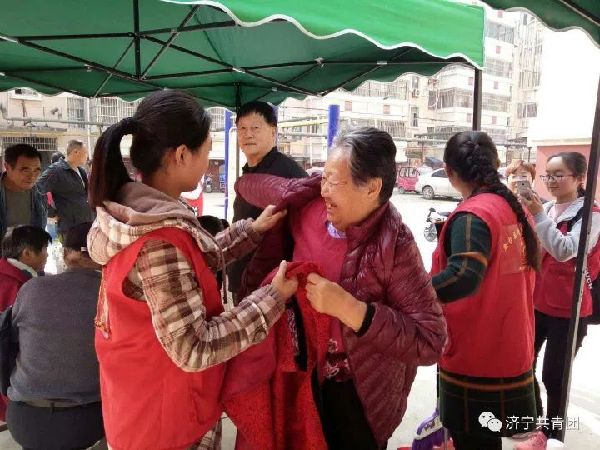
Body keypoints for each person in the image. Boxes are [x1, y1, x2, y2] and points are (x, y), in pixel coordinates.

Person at [87, 90, 298, 450]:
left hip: (138, 405)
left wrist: (252, 230)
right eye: (207, 150)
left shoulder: (135, 212)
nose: (208, 160)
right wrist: (272, 299)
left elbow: (190, 262)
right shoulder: (158, 239)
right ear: (182, 154)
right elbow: (194, 348)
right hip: (168, 426)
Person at [234, 127, 447, 450]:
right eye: (323, 178)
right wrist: (269, 187)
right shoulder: (308, 205)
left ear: (372, 188)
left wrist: (352, 310)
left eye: (334, 182)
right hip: (303, 373)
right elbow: (254, 185)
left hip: (357, 394)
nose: (324, 190)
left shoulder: (394, 245)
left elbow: (430, 340)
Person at [430, 131, 540, 450]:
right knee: (486, 440)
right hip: (511, 345)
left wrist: (414, 292)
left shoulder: (474, 214)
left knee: (474, 441)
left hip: (476, 354)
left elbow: (464, 276)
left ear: (449, 171)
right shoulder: (513, 208)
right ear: (496, 164)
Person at [517, 152, 600, 450]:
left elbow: (565, 250)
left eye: (558, 175)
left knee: (555, 377)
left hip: (569, 309)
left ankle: (552, 436)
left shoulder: (590, 215)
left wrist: (538, 216)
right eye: (547, 175)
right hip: (537, 302)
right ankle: (535, 421)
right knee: (523, 364)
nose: (551, 181)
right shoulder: (549, 208)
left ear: (579, 178)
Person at [6, 222, 105, 450]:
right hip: (83, 420)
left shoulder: (32, 288)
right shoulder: (109, 293)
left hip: (24, 416)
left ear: (66, 254)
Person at [227, 101, 307, 303]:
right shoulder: (249, 171)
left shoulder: (288, 173)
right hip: (243, 276)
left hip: (271, 283)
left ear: (273, 132)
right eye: (242, 129)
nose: (248, 134)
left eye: (255, 128)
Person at [0, 225, 50, 422]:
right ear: (27, 253)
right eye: (44, 249)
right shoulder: (19, 286)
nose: (47, 255)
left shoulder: (12, 276)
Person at [37, 140, 93, 237]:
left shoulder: (81, 171)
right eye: (85, 153)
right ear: (76, 152)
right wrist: (51, 213)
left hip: (86, 224)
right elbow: (38, 189)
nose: (87, 156)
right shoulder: (56, 170)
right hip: (69, 228)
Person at [0, 144, 47, 244]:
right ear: (7, 167)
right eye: (25, 170)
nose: (32, 176)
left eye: (36, 170)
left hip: (30, 251)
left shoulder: (39, 192)